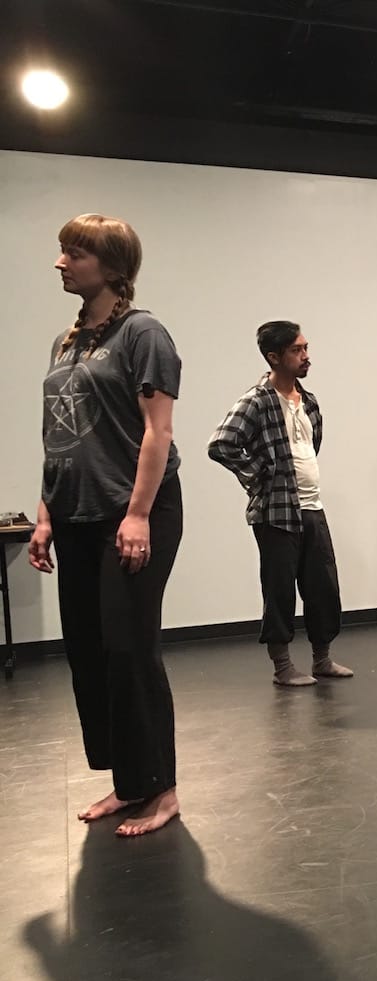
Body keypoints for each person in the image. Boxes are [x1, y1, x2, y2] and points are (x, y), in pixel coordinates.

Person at [27, 213, 184, 837]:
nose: (61, 262)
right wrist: (44, 514)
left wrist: (139, 513)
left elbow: (158, 431)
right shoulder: (66, 342)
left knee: (129, 650)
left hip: (135, 512)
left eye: (74, 253)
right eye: (62, 252)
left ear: (113, 267)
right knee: (89, 654)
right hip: (74, 515)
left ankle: (163, 789)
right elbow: (57, 436)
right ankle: (127, 781)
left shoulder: (144, 334)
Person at [208, 322, 354, 686]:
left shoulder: (310, 401)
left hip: (312, 508)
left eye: (305, 348)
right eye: (297, 350)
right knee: (279, 590)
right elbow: (221, 444)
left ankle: (322, 659)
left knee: (323, 587)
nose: (306, 356)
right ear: (274, 357)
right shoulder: (256, 401)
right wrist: (259, 475)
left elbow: (310, 447)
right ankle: (283, 667)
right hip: (275, 513)